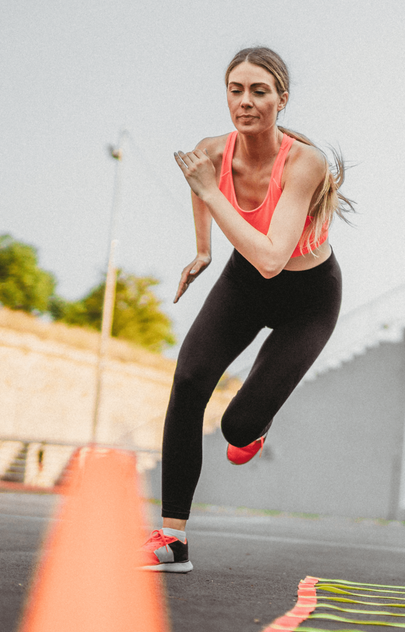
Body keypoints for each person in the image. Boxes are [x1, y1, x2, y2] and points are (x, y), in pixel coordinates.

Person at [141, 46, 351, 573]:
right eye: (236, 90)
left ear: (282, 99)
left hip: (308, 298)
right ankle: (173, 539)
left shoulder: (306, 163)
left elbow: (272, 259)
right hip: (243, 283)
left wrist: (212, 194)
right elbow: (201, 184)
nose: (246, 101)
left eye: (259, 91)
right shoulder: (211, 152)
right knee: (188, 381)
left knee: (236, 428)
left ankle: (255, 424)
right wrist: (203, 249)